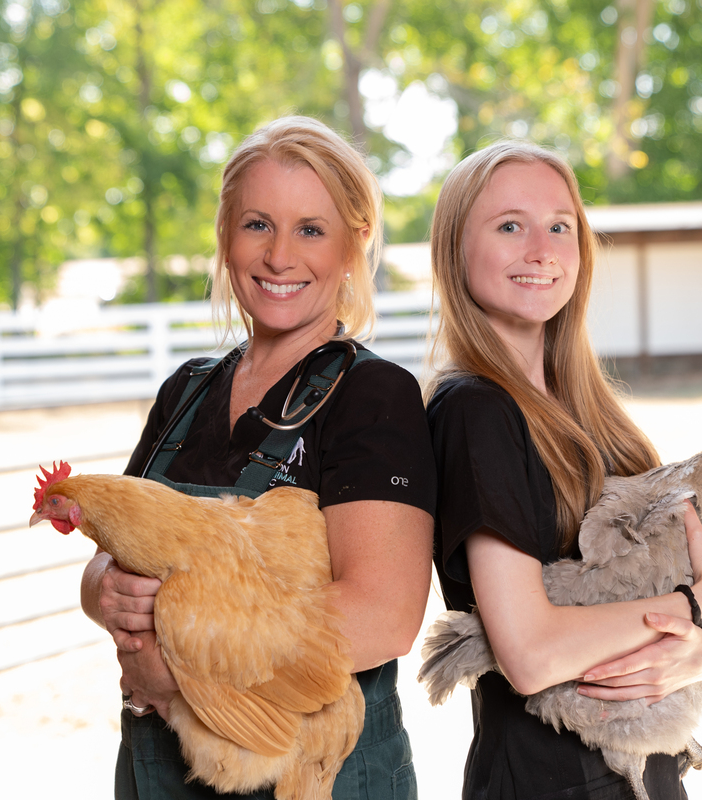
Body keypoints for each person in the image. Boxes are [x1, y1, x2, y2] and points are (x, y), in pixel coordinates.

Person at [80, 116, 437, 799]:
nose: (279, 256)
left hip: (310, 769)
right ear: (224, 236)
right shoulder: (187, 390)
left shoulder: (372, 395)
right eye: (256, 225)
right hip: (163, 761)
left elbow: (381, 614)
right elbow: (109, 560)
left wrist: (175, 669)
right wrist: (108, 591)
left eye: (310, 229)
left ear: (353, 246)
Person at [426, 140, 702, 800]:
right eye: (509, 225)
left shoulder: (598, 417)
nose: (540, 249)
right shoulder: (475, 411)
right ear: (456, 249)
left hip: (645, 774)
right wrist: (692, 608)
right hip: (553, 782)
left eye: (559, 226)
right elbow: (531, 653)